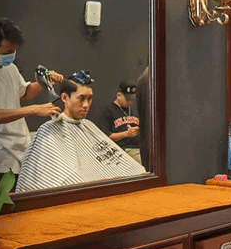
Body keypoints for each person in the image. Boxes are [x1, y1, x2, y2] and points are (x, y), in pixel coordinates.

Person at [16, 71, 145, 193]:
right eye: (81, 98)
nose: (86, 105)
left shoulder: (88, 125)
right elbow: (63, 178)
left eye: (89, 98)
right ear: (65, 98)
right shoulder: (49, 130)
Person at [0, 18, 63, 185]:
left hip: (22, 147)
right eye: (7, 51)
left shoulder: (10, 68)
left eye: (14, 50)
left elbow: (24, 92)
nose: (11, 55)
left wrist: (44, 81)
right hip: (2, 154)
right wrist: (33, 110)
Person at [97, 79, 141, 164]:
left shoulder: (134, 109)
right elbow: (106, 136)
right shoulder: (109, 111)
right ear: (118, 95)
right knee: (144, 164)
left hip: (139, 147)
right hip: (122, 149)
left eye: (132, 99)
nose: (130, 102)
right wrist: (126, 134)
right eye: (127, 99)